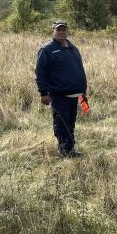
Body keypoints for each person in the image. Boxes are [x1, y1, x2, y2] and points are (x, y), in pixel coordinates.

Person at [36, 21, 88, 157]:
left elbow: (79, 69)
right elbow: (40, 72)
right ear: (53, 31)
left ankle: (70, 149)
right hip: (59, 95)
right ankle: (65, 151)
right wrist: (43, 93)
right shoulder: (47, 49)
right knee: (61, 124)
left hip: (75, 94)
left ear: (67, 31)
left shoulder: (72, 48)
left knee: (70, 123)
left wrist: (82, 90)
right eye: (58, 30)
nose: (61, 32)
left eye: (63, 30)